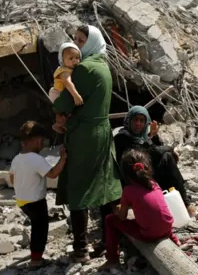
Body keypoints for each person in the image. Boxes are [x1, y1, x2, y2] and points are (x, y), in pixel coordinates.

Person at [53, 24, 121, 263]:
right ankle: (108, 241)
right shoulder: (104, 66)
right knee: (103, 187)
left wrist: (59, 113)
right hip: (103, 131)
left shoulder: (83, 69)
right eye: (75, 40)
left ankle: (81, 249)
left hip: (84, 135)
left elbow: (62, 104)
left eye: (81, 41)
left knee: (78, 188)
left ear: (91, 41)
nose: (77, 46)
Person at [100, 149, 180, 270]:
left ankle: (112, 259)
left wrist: (117, 209)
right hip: (168, 228)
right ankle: (175, 239)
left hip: (150, 235)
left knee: (110, 220)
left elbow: (121, 217)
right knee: (158, 216)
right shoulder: (154, 183)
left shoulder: (128, 190)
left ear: (125, 173)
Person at [114, 106, 196, 217]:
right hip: (134, 178)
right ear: (129, 120)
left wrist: (153, 136)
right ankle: (184, 203)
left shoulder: (143, 137)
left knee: (167, 158)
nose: (138, 123)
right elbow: (145, 152)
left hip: (148, 173)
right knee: (167, 155)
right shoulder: (122, 137)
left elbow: (156, 150)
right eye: (135, 119)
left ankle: (185, 203)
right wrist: (168, 147)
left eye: (142, 120)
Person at [8, 121, 67, 268]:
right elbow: (53, 174)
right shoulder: (36, 159)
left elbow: (11, 178)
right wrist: (63, 159)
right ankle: (36, 259)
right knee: (40, 229)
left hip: (22, 201)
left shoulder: (17, 158)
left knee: (36, 226)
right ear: (38, 140)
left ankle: (35, 254)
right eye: (41, 141)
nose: (42, 144)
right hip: (36, 201)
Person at [49, 42, 83, 134]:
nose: (75, 61)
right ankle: (59, 124)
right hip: (57, 93)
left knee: (63, 113)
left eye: (77, 58)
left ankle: (60, 124)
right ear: (62, 60)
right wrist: (76, 95)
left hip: (60, 92)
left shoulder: (70, 69)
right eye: (71, 58)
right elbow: (68, 83)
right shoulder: (64, 71)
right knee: (67, 110)